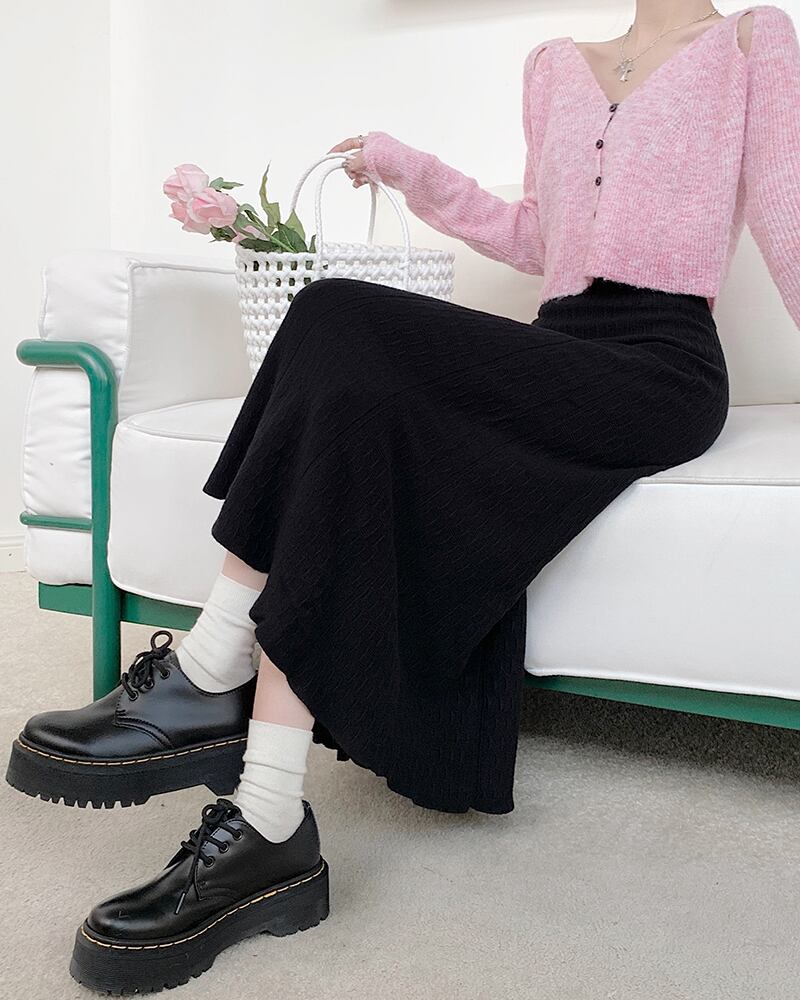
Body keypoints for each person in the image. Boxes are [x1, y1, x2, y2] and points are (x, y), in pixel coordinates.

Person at [6, 1, 800, 993]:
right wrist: (411, 171)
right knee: (348, 394)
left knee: (335, 313)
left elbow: (788, 222)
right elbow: (535, 234)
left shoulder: (750, 42)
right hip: (556, 348)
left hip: (661, 368)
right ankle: (268, 817)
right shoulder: (553, 64)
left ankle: (211, 667)